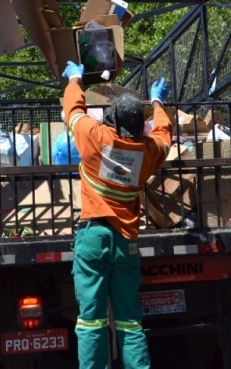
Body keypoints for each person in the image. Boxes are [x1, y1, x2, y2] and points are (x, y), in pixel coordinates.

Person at [61, 60, 172, 369]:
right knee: (130, 321)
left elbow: (73, 111)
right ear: (140, 126)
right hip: (127, 243)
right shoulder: (148, 152)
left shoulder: (96, 139)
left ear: (110, 120)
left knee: (91, 322)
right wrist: (158, 101)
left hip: (94, 238)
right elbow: (164, 133)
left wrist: (75, 78)